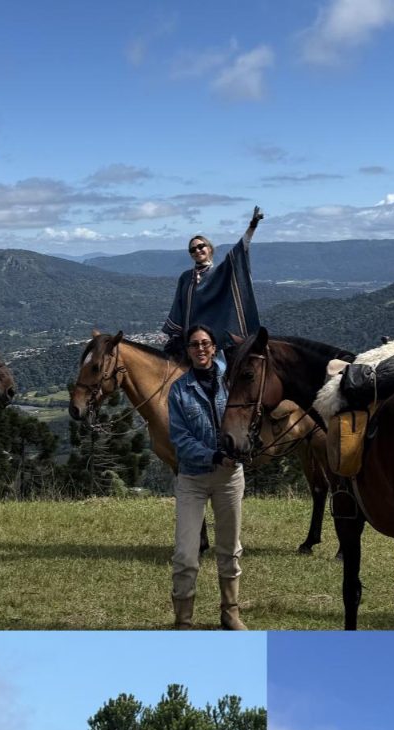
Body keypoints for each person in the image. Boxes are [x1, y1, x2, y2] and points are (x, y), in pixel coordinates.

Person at [163, 326, 246, 630]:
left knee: (229, 549)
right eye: (194, 345)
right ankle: (184, 621)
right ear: (188, 350)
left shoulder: (231, 380)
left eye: (205, 344)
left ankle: (231, 612)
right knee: (186, 553)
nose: (200, 349)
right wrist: (213, 456)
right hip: (192, 479)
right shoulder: (179, 391)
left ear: (214, 348)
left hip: (229, 478)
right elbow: (179, 438)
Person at [163, 209, 266, 359]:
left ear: (209, 248)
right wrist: (176, 335)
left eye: (201, 246)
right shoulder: (185, 277)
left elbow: (238, 252)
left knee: (220, 374)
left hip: (213, 344)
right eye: (192, 249)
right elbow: (178, 307)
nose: (197, 250)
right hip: (189, 343)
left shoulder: (219, 273)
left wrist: (252, 226)